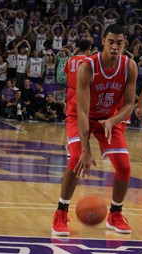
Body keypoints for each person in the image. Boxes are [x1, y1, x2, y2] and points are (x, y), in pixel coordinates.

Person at [51, 24, 137, 236]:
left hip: (109, 119)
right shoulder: (87, 67)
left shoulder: (130, 67)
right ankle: (61, 211)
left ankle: (115, 213)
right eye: (111, 42)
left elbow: (129, 105)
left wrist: (111, 121)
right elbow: (81, 111)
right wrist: (87, 149)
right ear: (103, 42)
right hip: (81, 115)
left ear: (124, 44)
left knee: (124, 167)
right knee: (78, 157)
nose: (115, 47)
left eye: (119, 42)